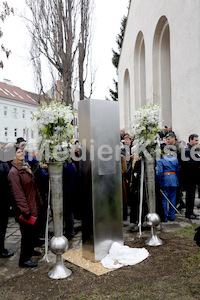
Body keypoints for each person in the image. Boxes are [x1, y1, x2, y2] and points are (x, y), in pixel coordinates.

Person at [8, 146, 43, 268]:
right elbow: (18, 194)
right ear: (13, 156)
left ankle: (30, 250)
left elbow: (33, 186)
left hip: (32, 204)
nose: (22, 153)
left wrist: (38, 201)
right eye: (18, 152)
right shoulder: (13, 172)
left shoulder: (25, 166)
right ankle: (24, 260)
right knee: (26, 234)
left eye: (22, 151)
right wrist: (25, 210)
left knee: (31, 232)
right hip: (24, 209)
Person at [156, 147, 180, 222]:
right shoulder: (175, 159)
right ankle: (171, 216)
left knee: (164, 200)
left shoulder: (160, 160)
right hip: (174, 179)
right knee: (173, 199)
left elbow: (159, 172)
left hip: (165, 180)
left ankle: (165, 217)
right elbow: (178, 170)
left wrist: (158, 181)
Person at [182, 134, 200, 219]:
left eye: (198, 140)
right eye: (196, 140)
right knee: (189, 196)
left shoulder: (193, 150)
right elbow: (187, 164)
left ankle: (191, 212)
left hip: (193, 177)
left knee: (192, 196)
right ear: (191, 140)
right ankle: (188, 213)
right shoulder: (186, 150)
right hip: (189, 177)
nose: (197, 142)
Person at [0, 160, 14, 258]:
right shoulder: (3, 165)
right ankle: (1, 250)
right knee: (2, 227)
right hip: (3, 202)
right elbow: (9, 184)